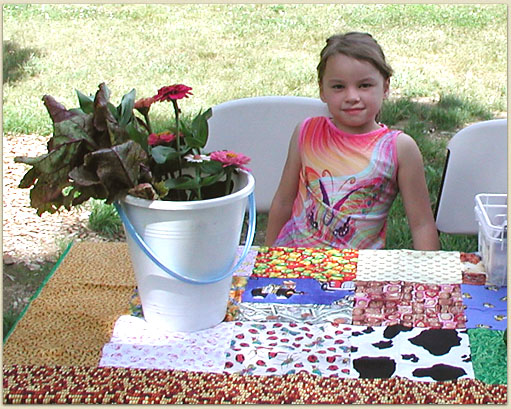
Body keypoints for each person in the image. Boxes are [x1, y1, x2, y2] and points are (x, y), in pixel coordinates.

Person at [265, 32, 440, 251]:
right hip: (297, 262)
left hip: (358, 270)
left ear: (385, 87)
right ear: (322, 90)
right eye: (338, 86)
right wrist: (268, 258)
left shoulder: (399, 148)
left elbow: (422, 224)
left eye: (364, 85)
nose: (352, 96)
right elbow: (283, 201)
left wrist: (433, 280)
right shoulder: (306, 132)